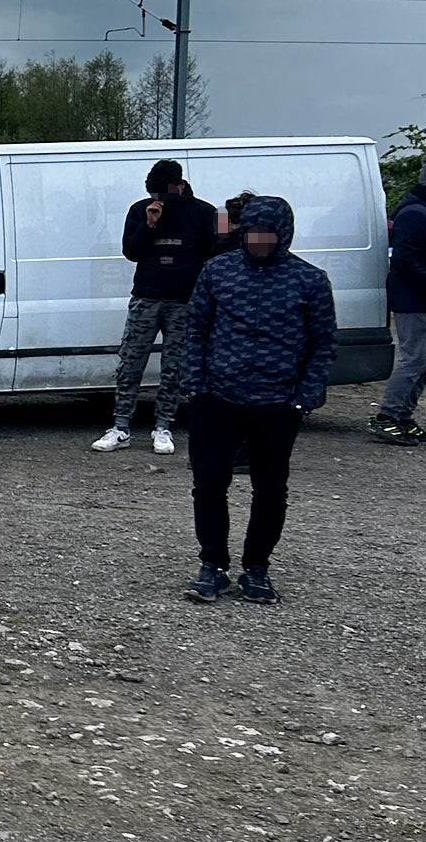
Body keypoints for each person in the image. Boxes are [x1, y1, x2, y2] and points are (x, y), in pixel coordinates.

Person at [180, 196, 335, 605]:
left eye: (267, 235)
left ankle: (257, 568)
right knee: (209, 483)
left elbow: (322, 344)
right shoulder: (217, 271)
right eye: (252, 233)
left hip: (277, 403)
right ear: (242, 231)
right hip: (217, 398)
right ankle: (212, 564)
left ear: (283, 235)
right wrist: (195, 384)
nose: (259, 241)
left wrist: (304, 397)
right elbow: (194, 329)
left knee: (270, 489)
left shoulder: (310, 280)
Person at [91, 160, 215, 455]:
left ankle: (163, 427)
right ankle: (120, 427)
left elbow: (217, 251)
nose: (160, 200)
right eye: (154, 194)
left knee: (174, 367)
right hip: (147, 297)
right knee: (131, 362)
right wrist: (149, 224)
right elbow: (131, 252)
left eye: (165, 193)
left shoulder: (205, 212)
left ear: (180, 185)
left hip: (184, 301)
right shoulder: (140, 210)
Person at [371, 164, 426, 445]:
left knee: (422, 361)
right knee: (414, 359)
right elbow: (405, 259)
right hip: (413, 299)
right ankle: (387, 417)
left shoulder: (417, 209)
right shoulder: (415, 213)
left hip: (416, 297)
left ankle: (403, 416)